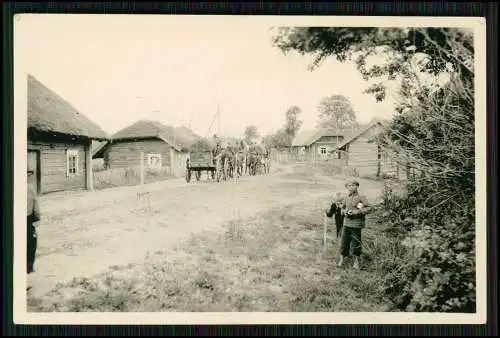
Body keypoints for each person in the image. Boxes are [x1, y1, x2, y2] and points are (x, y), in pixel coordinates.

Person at [337, 178, 371, 269]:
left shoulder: (361, 196)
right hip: (346, 223)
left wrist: (357, 212)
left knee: (356, 243)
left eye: (353, 185)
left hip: (356, 224)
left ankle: (356, 261)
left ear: (357, 186)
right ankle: (341, 259)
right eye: (349, 186)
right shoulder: (346, 197)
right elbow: (342, 207)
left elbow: (369, 208)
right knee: (344, 242)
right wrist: (344, 211)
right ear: (346, 187)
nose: (351, 187)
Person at [27, 170, 40, 277]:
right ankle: (28, 268)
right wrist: (37, 219)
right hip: (26, 220)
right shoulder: (29, 189)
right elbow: (35, 206)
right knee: (31, 245)